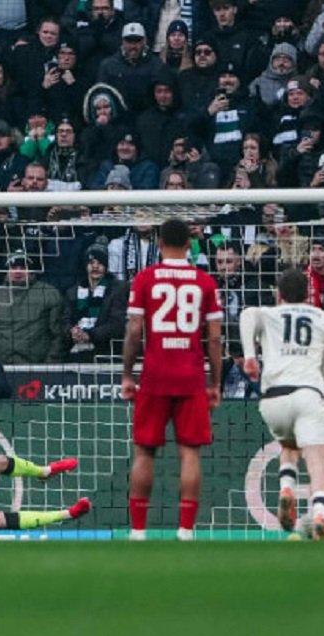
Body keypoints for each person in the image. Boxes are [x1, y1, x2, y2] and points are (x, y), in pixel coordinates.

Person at [121, 219, 223, 541]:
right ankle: (186, 530)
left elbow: (134, 331)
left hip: (155, 374)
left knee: (144, 452)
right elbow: (215, 338)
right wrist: (215, 382)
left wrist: (128, 375)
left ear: (159, 243)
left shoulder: (145, 278)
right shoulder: (205, 281)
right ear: (189, 244)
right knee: (190, 453)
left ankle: (138, 531)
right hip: (191, 375)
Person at [239, 269, 324, 540]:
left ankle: (286, 487)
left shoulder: (268, 314)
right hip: (308, 393)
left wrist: (250, 356)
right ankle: (320, 514)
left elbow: (247, 315)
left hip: (273, 398)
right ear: (308, 293)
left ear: (279, 294)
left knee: (290, 445)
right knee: (317, 459)